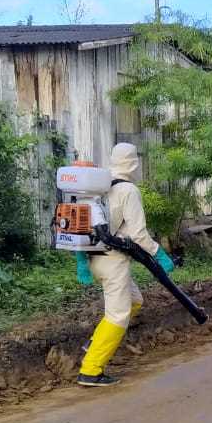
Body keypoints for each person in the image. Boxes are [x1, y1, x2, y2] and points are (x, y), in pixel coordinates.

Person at [75, 143, 174, 387]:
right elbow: (139, 234)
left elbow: (84, 224)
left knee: (134, 301)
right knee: (118, 316)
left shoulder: (99, 186)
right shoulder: (128, 190)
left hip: (94, 257)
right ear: (133, 163)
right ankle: (91, 370)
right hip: (114, 262)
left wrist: (81, 260)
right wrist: (160, 254)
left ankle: (96, 341)